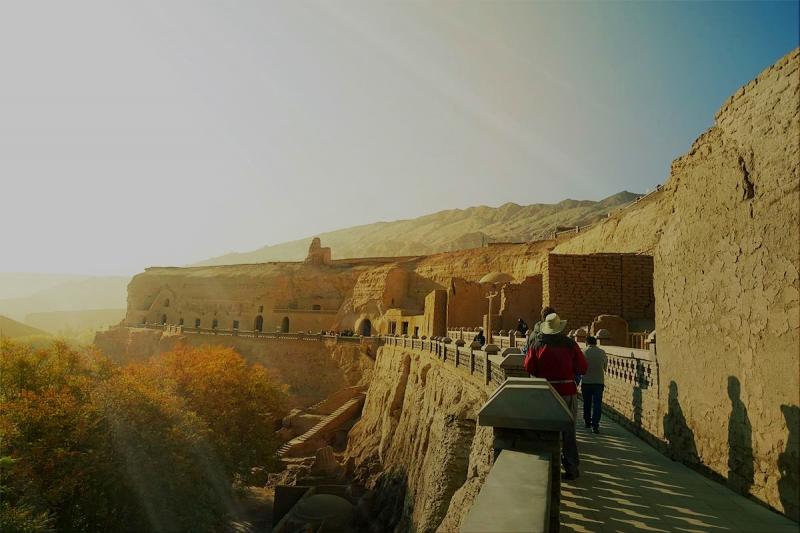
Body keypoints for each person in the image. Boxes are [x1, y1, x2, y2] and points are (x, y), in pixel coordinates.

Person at [523, 312, 588, 480]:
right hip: (567, 392)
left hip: (545, 393)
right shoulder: (570, 344)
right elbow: (582, 367)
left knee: (545, 429)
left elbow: (529, 367)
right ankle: (571, 468)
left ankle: (547, 466)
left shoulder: (537, 344)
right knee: (568, 431)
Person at [581, 335, 607, 433]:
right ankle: (595, 425)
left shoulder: (583, 352)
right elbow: (605, 367)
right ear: (596, 343)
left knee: (587, 403)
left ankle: (587, 422)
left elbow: (580, 367)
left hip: (586, 382)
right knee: (597, 404)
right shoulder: (602, 352)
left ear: (586, 343)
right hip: (599, 382)